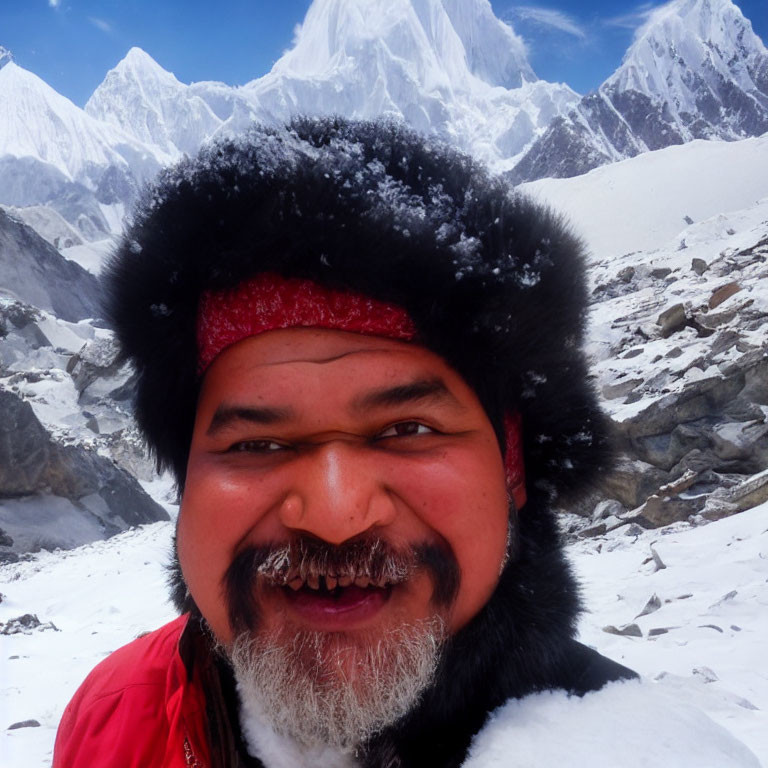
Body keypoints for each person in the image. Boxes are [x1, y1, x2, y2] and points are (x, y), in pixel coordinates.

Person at [52, 118, 759, 768]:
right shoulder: (118, 714)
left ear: (512, 469)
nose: (332, 514)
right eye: (256, 446)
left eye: (406, 431)